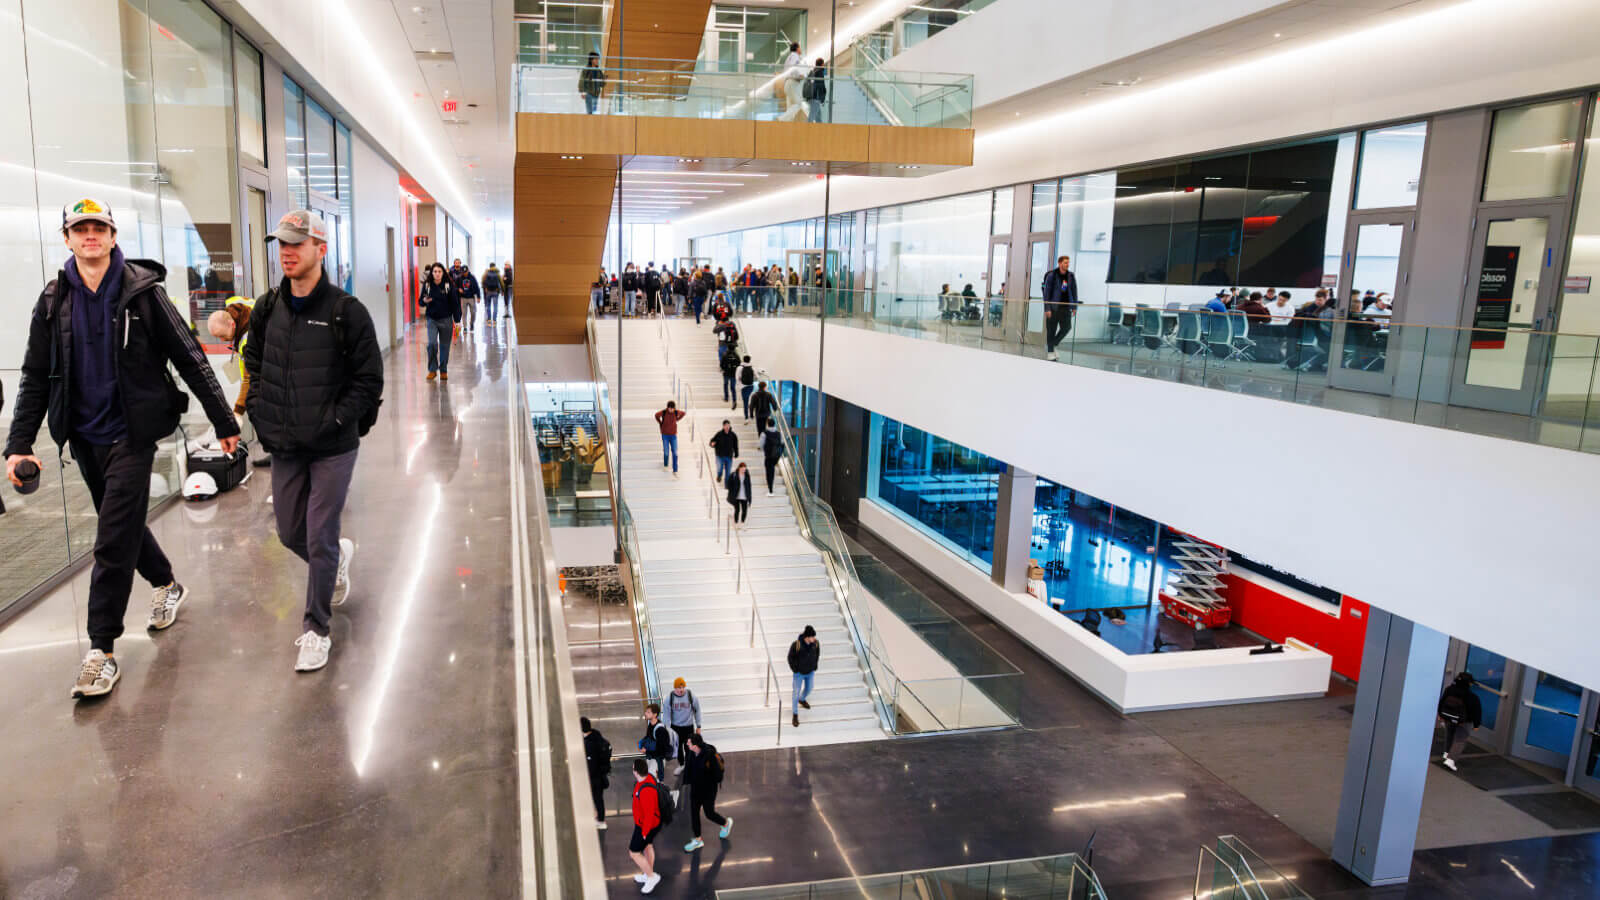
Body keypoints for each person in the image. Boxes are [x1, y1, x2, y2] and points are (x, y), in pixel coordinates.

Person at [6, 198, 240, 699]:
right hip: (85, 438)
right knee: (125, 524)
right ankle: (167, 584)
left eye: (99, 228)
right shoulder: (53, 302)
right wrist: (19, 443)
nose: (90, 236)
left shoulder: (144, 294)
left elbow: (191, 357)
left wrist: (223, 419)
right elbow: (34, 376)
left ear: (113, 237)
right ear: (67, 238)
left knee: (111, 542)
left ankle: (101, 650)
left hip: (133, 435)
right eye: (80, 228)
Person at [246, 209, 384, 673]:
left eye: (296, 244)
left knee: (320, 531)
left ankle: (316, 629)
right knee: (290, 532)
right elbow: (255, 363)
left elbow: (369, 380)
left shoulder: (347, 312)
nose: (286, 252)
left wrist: (336, 418)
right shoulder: (267, 308)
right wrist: (262, 411)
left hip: (332, 446)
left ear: (320, 251)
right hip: (284, 441)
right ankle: (336, 559)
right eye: (281, 244)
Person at [207, 296, 271, 468]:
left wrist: (237, 411)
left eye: (222, 336)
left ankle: (277, 453)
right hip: (268, 369)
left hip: (272, 374)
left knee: (256, 409)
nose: (222, 341)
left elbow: (249, 378)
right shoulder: (236, 309)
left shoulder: (248, 340)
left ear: (232, 325)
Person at [682, 732, 732, 852]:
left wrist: (705, 780)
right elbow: (688, 768)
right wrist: (687, 781)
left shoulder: (709, 755)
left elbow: (717, 776)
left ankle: (725, 823)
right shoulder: (690, 753)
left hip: (708, 790)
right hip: (695, 789)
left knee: (709, 813)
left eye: (689, 742)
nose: (687, 744)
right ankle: (698, 840)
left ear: (695, 745)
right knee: (694, 813)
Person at [418, 262, 461, 381]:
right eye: (435, 272)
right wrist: (425, 301)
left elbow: (455, 304)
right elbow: (420, 301)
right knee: (431, 344)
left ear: (443, 273)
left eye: (439, 272)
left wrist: (457, 321)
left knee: (444, 346)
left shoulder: (448, 285)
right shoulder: (427, 285)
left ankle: (443, 370)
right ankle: (432, 370)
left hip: (446, 319)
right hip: (432, 319)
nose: (437, 274)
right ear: (432, 273)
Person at [629, 758, 665, 894]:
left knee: (633, 852)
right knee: (648, 846)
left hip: (646, 825)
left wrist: (644, 832)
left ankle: (651, 877)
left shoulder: (646, 790)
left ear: (636, 772)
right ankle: (648, 872)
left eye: (633, 768)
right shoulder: (647, 778)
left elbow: (649, 814)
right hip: (648, 823)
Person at [1438, 672, 1484, 772]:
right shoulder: (1472, 697)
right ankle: (1451, 760)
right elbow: (1477, 712)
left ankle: (1447, 753)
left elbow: (1442, 702)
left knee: (1449, 735)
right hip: (1464, 722)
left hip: (1448, 718)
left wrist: (1440, 715)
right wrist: (1476, 725)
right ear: (1469, 683)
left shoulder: (1449, 689)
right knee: (1460, 740)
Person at [1041, 256, 1079, 361]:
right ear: (1059, 263)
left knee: (1067, 327)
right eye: (1065, 263)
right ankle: (1050, 352)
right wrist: (1047, 308)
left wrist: (1074, 306)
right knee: (1051, 330)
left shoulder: (1071, 276)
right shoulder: (1052, 275)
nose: (1067, 265)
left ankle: (1052, 345)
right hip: (1053, 308)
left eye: (1068, 263)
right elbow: (1046, 293)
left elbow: (1074, 291)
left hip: (1066, 307)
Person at [665, 677, 702, 775]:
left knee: (689, 747)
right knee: (678, 748)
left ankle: (689, 765)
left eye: (682, 687)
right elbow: (666, 715)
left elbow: (697, 711)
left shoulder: (691, 696)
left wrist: (698, 726)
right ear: (674, 688)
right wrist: (668, 730)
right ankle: (681, 764)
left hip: (688, 726)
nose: (681, 690)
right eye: (678, 688)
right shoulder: (669, 698)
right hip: (676, 727)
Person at [582, 716, 613, 829]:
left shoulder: (589, 743)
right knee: (597, 797)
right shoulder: (597, 736)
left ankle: (601, 820)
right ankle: (599, 817)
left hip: (594, 776)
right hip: (600, 774)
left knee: (597, 798)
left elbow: (591, 763)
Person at [787, 625, 820, 727]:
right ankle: (795, 714)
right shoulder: (796, 645)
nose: (814, 638)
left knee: (809, 688)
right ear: (807, 637)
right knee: (796, 692)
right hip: (799, 674)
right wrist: (795, 669)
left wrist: (815, 665)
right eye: (812, 637)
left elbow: (817, 654)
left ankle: (802, 699)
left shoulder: (816, 644)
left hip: (810, 672)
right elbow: (790, 657)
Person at [638, 702, 674, 781]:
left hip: (658, 758)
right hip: (652, 755)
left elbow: (661, 750)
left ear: (655, 715)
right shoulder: (650, 724)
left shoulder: (660, 729)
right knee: (648, 777)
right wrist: (643, 745)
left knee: (654, 779)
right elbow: (648, 737)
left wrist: (646, 750)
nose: (645, 713)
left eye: (648, 712)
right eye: (646, 711)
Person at [654, 400, 686, 476]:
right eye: (670, 408)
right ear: (667, 408)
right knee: (666, 452)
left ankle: (675, 470)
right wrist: (660, 422)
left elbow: (683, 413)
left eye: (672, 408)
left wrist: (677, 420)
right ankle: (665, 465)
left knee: (675, 452)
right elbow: (656, 415)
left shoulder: (676, 412)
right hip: (665, 435)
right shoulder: (664, 412)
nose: (671, 410)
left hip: (673, 436)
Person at [759, 420, 784, 495]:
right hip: (776, 456)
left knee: (768, 471)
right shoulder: (779, 433)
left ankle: (770, 489)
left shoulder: (764, 433)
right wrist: (779, 454)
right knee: (772, 470)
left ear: (767, 424)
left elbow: (761, 445)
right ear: (774, 424)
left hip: (768, 455)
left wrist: (764, 450)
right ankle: (771, 488)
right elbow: (782, 444)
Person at [725, 461, 752, 528]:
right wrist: (732, 491)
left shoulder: (747, 475)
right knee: (737, 510)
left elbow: (749, 486)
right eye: (742, 469)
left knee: (744, 510)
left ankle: (742, 523)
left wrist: (749, 498)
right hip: (736, 496)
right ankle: (736, 522)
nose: (744, 470)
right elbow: (728, 484)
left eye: (744, 469)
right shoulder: (734, 475)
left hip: (744, 496)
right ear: (739, 468)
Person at [782, 42, 806, 117]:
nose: (800, 49)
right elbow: (792, 68)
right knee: (798, 104)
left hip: (787, 83)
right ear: (797, 48)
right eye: (800, 47)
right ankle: (782, 119)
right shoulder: (795, 56)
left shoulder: (789, 57)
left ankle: (787, 125)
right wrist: (799, 75)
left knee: (790, 106)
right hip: (792, 82)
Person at [456, 264, 480, 330]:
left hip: (471, 297)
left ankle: (472, 323)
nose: (465, 274)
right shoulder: (459, 278)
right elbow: (455, 286)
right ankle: (465, 327)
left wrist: (478, 296)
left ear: (468, 271)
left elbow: (477, 287)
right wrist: (458, 289)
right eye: (463, 272)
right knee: (464, 313)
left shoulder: (472, 277)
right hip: (463, 298)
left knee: (473, 312)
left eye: (466, 272)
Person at [804, 58, 828, 123]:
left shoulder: (813, 71)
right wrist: (822, 97)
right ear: (822, 64)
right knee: (812, 116)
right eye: (823, 64)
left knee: (818, 116)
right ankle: (806, 130)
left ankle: (820, 131)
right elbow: (821, 86)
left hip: (811, 96)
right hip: (816, 97)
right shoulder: (819, 72)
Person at [719, 343, 740, 408]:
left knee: (725, 385)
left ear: (728, 348)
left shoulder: (725, 355)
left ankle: (726, 397)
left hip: (726, 373)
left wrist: (723, 369)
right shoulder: (736, 355)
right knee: (733, 387)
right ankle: (734, 400)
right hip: (733, 374)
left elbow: (721, 364)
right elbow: (739, 364)